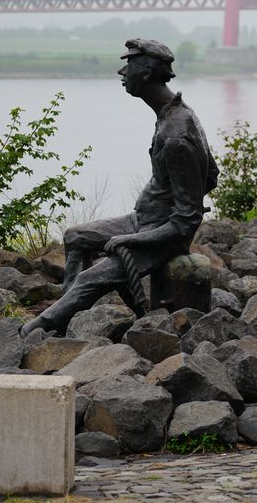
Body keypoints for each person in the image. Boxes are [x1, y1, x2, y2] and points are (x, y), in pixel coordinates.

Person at [21, 38, 218, 337]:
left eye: (129, 64)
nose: (121, 71)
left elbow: (186, 221)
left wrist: (135, 239)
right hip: (144, 221)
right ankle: (68, 317)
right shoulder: (170, 114)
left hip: (162, 236)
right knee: (76, 237)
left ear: (148, 71)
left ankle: (38, 331)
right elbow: (211, 175)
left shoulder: (178, 134)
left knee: (89, 279)